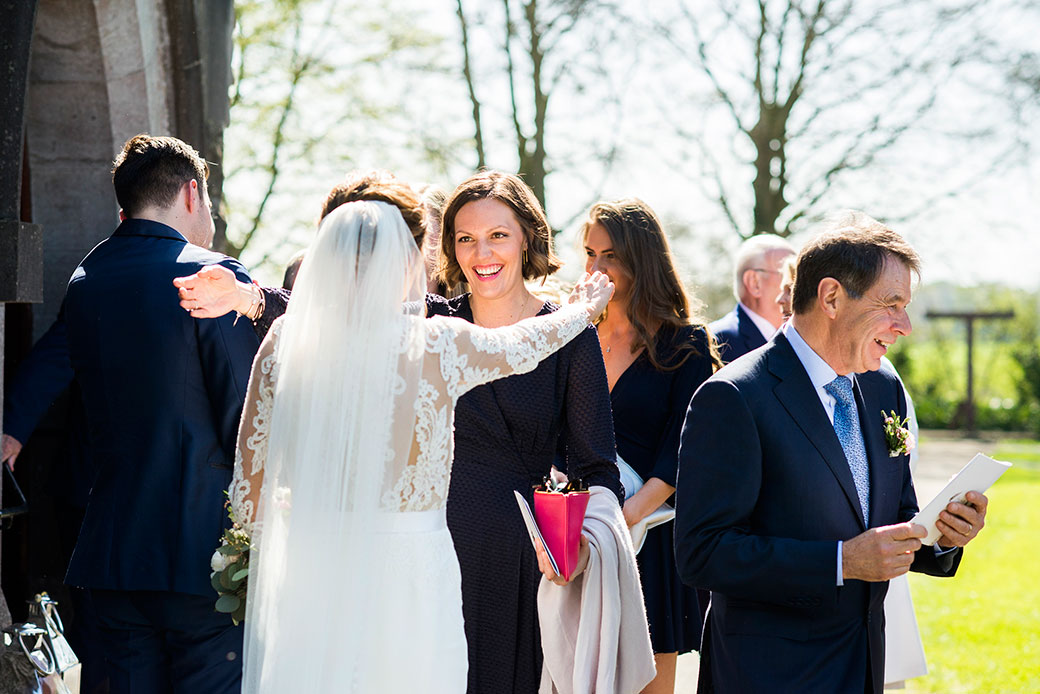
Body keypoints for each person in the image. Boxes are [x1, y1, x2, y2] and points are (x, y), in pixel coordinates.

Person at [228, 199, 615, 692]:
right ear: (410, 259)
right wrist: (584, 309)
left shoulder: (287, 342)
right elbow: (521, 345)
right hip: (413, 573)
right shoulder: (434, 343)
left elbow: (247, 499)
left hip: (320, 574)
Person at [674, 212, 988, 694]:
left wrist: (943, 535)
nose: (903, 325)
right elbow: (703, 553)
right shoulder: (734, 397)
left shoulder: (885, 389)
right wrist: (840, 562)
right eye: (891, 304)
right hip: (768, 673)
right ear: (832, 297)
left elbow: (895, 515)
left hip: (863, 665)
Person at [58, 134, 261, 693]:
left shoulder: (84, 283)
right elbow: (245, 418)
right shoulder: (211, 277)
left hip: (111, 552)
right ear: (192, 194)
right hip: (203, 556)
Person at [429, 170, 625, 693]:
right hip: (433, 551)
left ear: (527, 239)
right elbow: (338, 321)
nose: (481, 252)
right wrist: (253, 299)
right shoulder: (429, 323)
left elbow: (597, 466)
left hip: (527, 561)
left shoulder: (570, 334)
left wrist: (576, 549)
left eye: (498, 235)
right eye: (465, 238)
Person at [581, 199, 720, 693]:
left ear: (642, 260)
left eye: (611, 256)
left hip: (650, 538)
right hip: (578, 537)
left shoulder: (687, 344)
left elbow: (683, 451)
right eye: (590, 253)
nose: (597, 268)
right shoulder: (572, 333)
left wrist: (626, 518)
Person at [709, 234, 794, 362]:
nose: (799, 284)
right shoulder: (714, 344)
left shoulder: (797, 340)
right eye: (788, 275)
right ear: (755, 283)